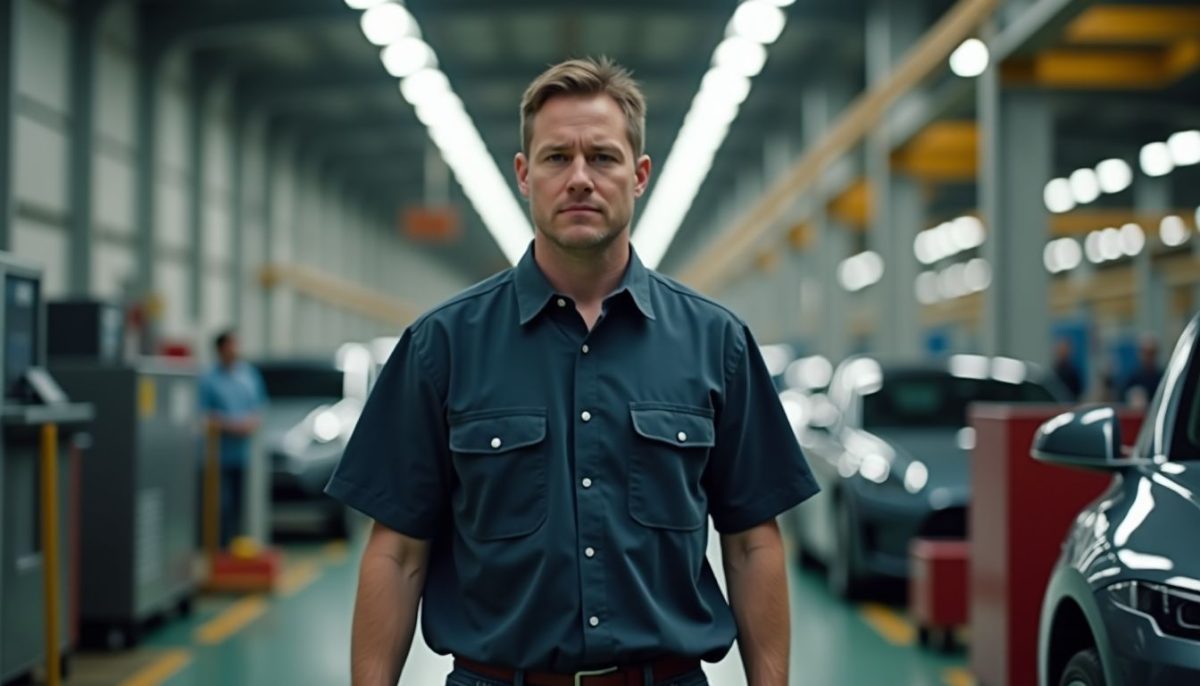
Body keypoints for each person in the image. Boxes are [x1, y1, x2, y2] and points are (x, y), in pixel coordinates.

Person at [325, 57, 819, 686]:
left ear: (639, 176)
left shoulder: (715, 342)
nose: (580, 178)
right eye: (558, 158)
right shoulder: (441, 346)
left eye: (603, 158)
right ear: (525, 175)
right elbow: (396, 554)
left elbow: (753, 543)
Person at [198, 329, 267, 549]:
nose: (235, 350)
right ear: (220, 349)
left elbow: (259, 408)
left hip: (243, 455)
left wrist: (248, 423)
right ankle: (216, 550)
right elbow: (203, 415)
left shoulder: (248, 376)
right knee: (219, 506)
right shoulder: (208, 379)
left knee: (240, 505)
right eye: (230, 345)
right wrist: (229, 425)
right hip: (216, 457)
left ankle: (235, 548)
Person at [1120, 334, 1164, 408]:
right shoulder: (1132, 379)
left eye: (1151, 353)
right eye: (1146, 353)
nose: (1148, 357)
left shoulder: (1162, 379)